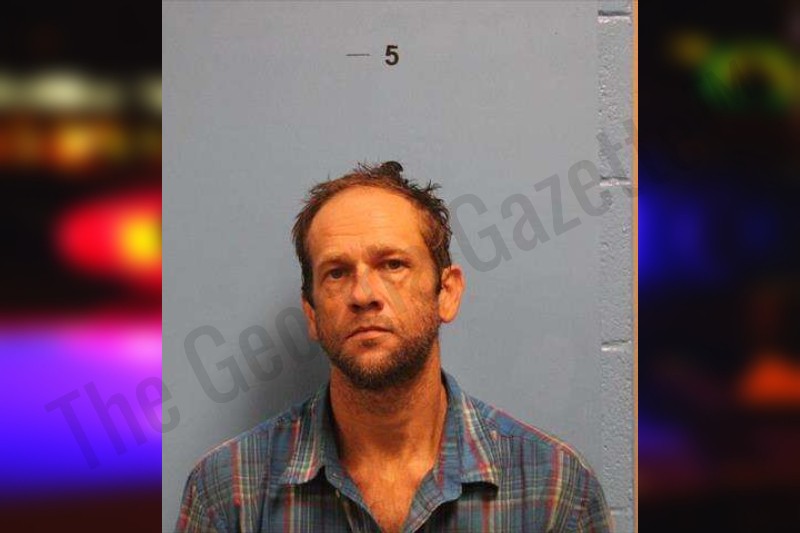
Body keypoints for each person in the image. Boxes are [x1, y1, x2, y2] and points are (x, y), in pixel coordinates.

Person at [176, 162, 611, 532]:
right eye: (336, 272)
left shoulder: (555, 489)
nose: (364, 294)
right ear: (311, 314)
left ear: (447, 293)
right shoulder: (229, 492)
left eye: (393, 264)